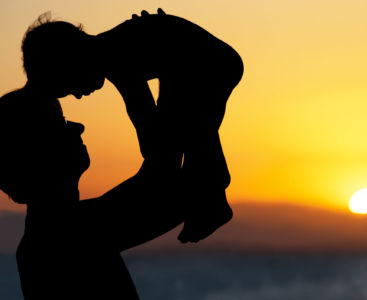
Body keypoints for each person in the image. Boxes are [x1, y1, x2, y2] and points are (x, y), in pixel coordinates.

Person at [22, 9, 244, 243]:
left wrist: (152, 151)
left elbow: (141, 113)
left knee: (185, 135)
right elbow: (145, 116)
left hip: (206, 67)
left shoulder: (117, 57)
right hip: (199, 67)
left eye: (69, 86)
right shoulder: (114, 49)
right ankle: (211, 196)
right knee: (187, 135)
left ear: (70, 60)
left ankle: (213, 199)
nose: (77, 95)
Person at [0, 34, 185, 300]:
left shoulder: (65, 232)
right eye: (58, 126)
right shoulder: (68, 238)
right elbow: (167, 179)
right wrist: (142, 75)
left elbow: (160, 173)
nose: (78, 127)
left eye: (63, 119)